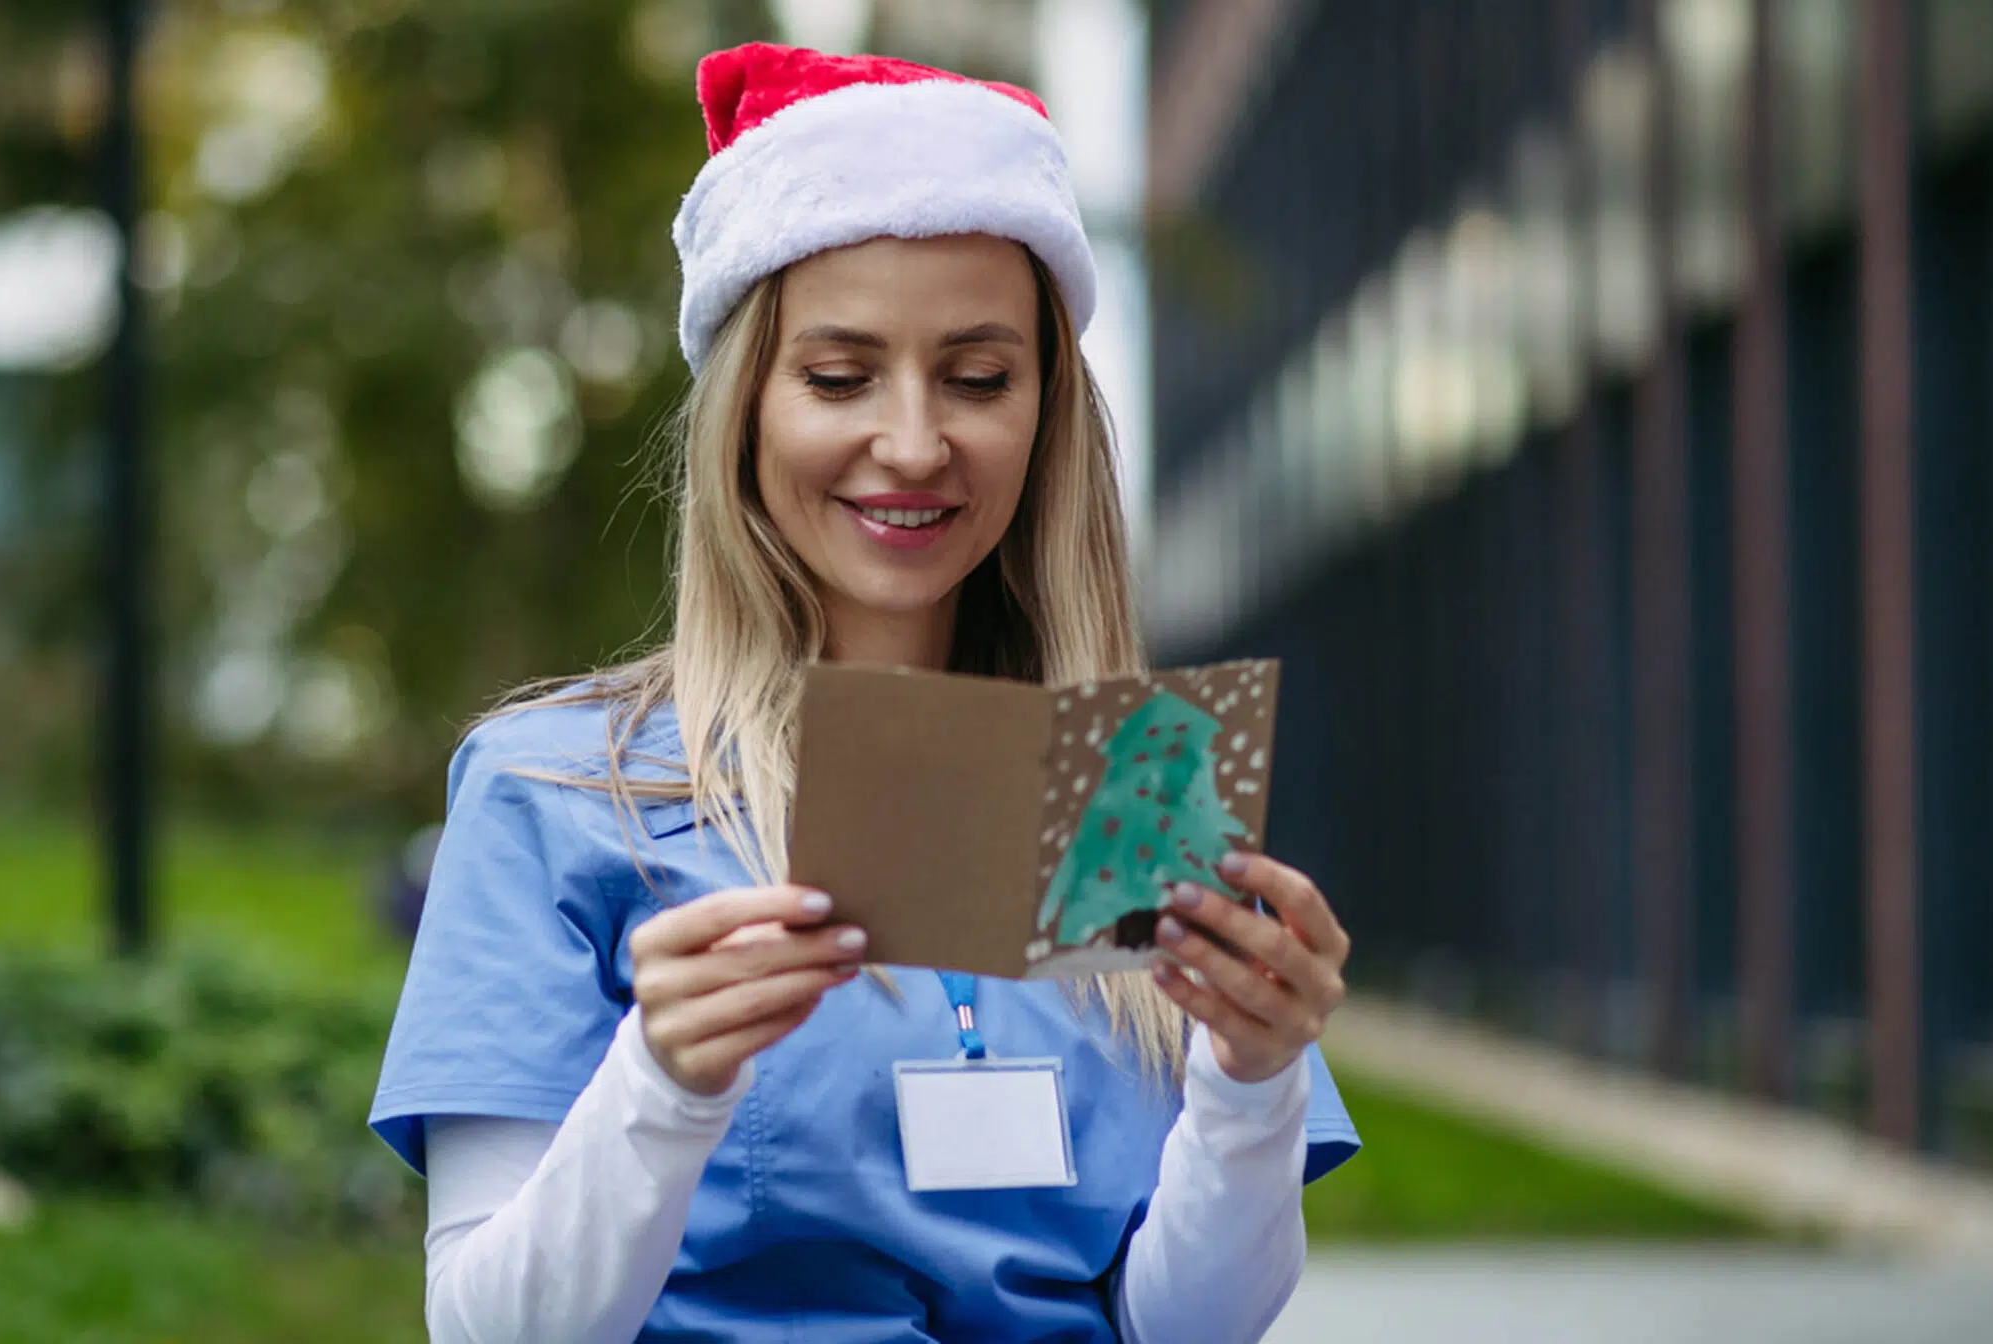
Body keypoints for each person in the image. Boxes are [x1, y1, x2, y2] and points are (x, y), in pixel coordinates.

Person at [371, 42, 1361, 1343]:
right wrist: (665, 1083)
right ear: (747, 410)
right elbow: (491, 1333)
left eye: (979, 377)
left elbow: (1183, 1327)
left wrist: (1253, 1079)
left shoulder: (1132, 786)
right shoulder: (556, 791)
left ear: (1051, 414)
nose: (911, 443)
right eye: (839, 377)